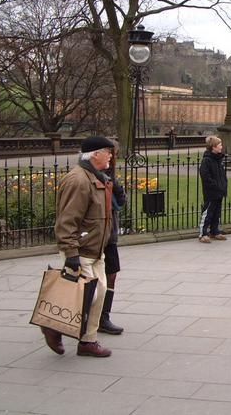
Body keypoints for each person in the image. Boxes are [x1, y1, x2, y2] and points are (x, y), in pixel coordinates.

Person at [41, 135, 115, 357]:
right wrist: (71, 253)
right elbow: (67, 220)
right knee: (84, 296)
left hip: (95, 249)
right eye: (107, 151)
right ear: (95, 154)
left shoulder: (96, 176)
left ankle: (87, 342)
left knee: (99, 293)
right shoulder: (78, 180)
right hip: (81, 249)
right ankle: (53, 326)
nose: (111, 155)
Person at [99, 141, 126, 335]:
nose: (112, 157)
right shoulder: (86, 178)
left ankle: (103, 316)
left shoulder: (108, 177)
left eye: (113, 154)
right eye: (110, 153)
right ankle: (88, 316)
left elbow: (121, 200)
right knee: (93, 278)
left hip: (109, 235)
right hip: (94, 238)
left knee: (111, 275)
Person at [198, 135, 228, 243]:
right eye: (220, 145)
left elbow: (222, 175)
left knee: (217, 213)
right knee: (208, 212)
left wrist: (223, 186)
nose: (221, 147)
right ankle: (203, 233)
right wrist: (215, 185)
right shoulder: (207, 160)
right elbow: (205, 176)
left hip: (219, 191)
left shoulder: (218, 159)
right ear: (214, 147)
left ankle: (215, 231)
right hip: (211, 192)